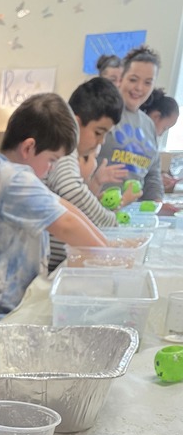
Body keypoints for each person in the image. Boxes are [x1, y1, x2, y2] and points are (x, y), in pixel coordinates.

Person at [0, 93, 107, 349]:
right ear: (28, 148)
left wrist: (108, 246)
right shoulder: (16, 179)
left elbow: (63, 206)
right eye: (51, 160)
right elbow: (66, 225)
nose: (51, 168)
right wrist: (110, 258)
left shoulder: (7, 171)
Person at [46, 77, 126, 271]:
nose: (101, 142)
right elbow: (71, 189)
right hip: (48, 265)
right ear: (75, 123)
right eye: (98, 132)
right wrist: (109, 222)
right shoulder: (64, 146)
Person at [94, 45, 164, 203]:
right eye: (133, 79)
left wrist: (157, 203)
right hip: (98, 211)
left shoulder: (149, 125)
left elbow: (152, 174)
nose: (139, 88)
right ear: (121, 79)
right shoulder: (101, 113)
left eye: (148, 82)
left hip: (134, 217)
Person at [141, 89, 180, 192]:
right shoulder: (139, 140)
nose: (162, 133)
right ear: (156, 117)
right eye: (165, 128)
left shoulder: (150, 143)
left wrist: (159, 177)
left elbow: (147, 171)